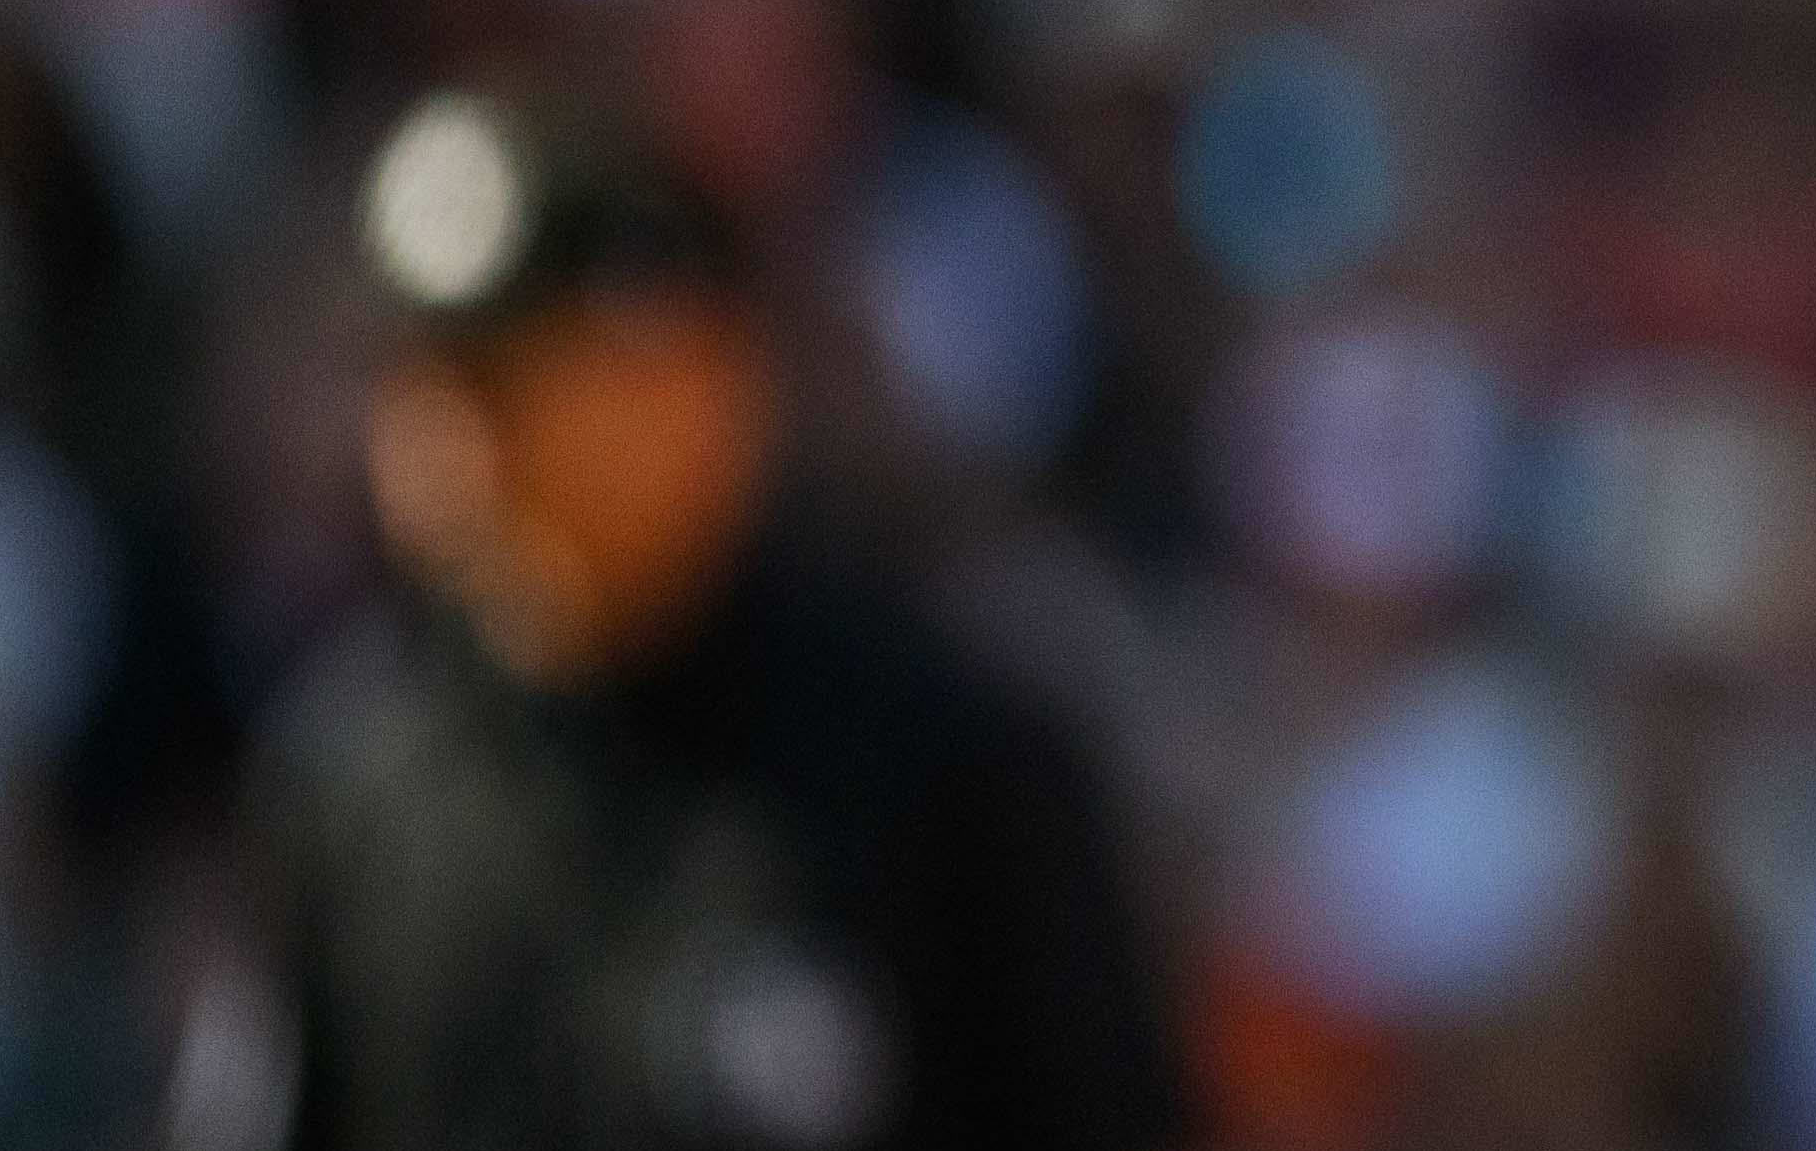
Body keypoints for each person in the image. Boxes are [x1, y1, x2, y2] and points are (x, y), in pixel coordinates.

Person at [247, 89, 1191, 1151]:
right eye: (440, 383)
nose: (472, 439)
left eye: (526, 384)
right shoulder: (356, 793)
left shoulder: (948, 768)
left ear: (711, 387)